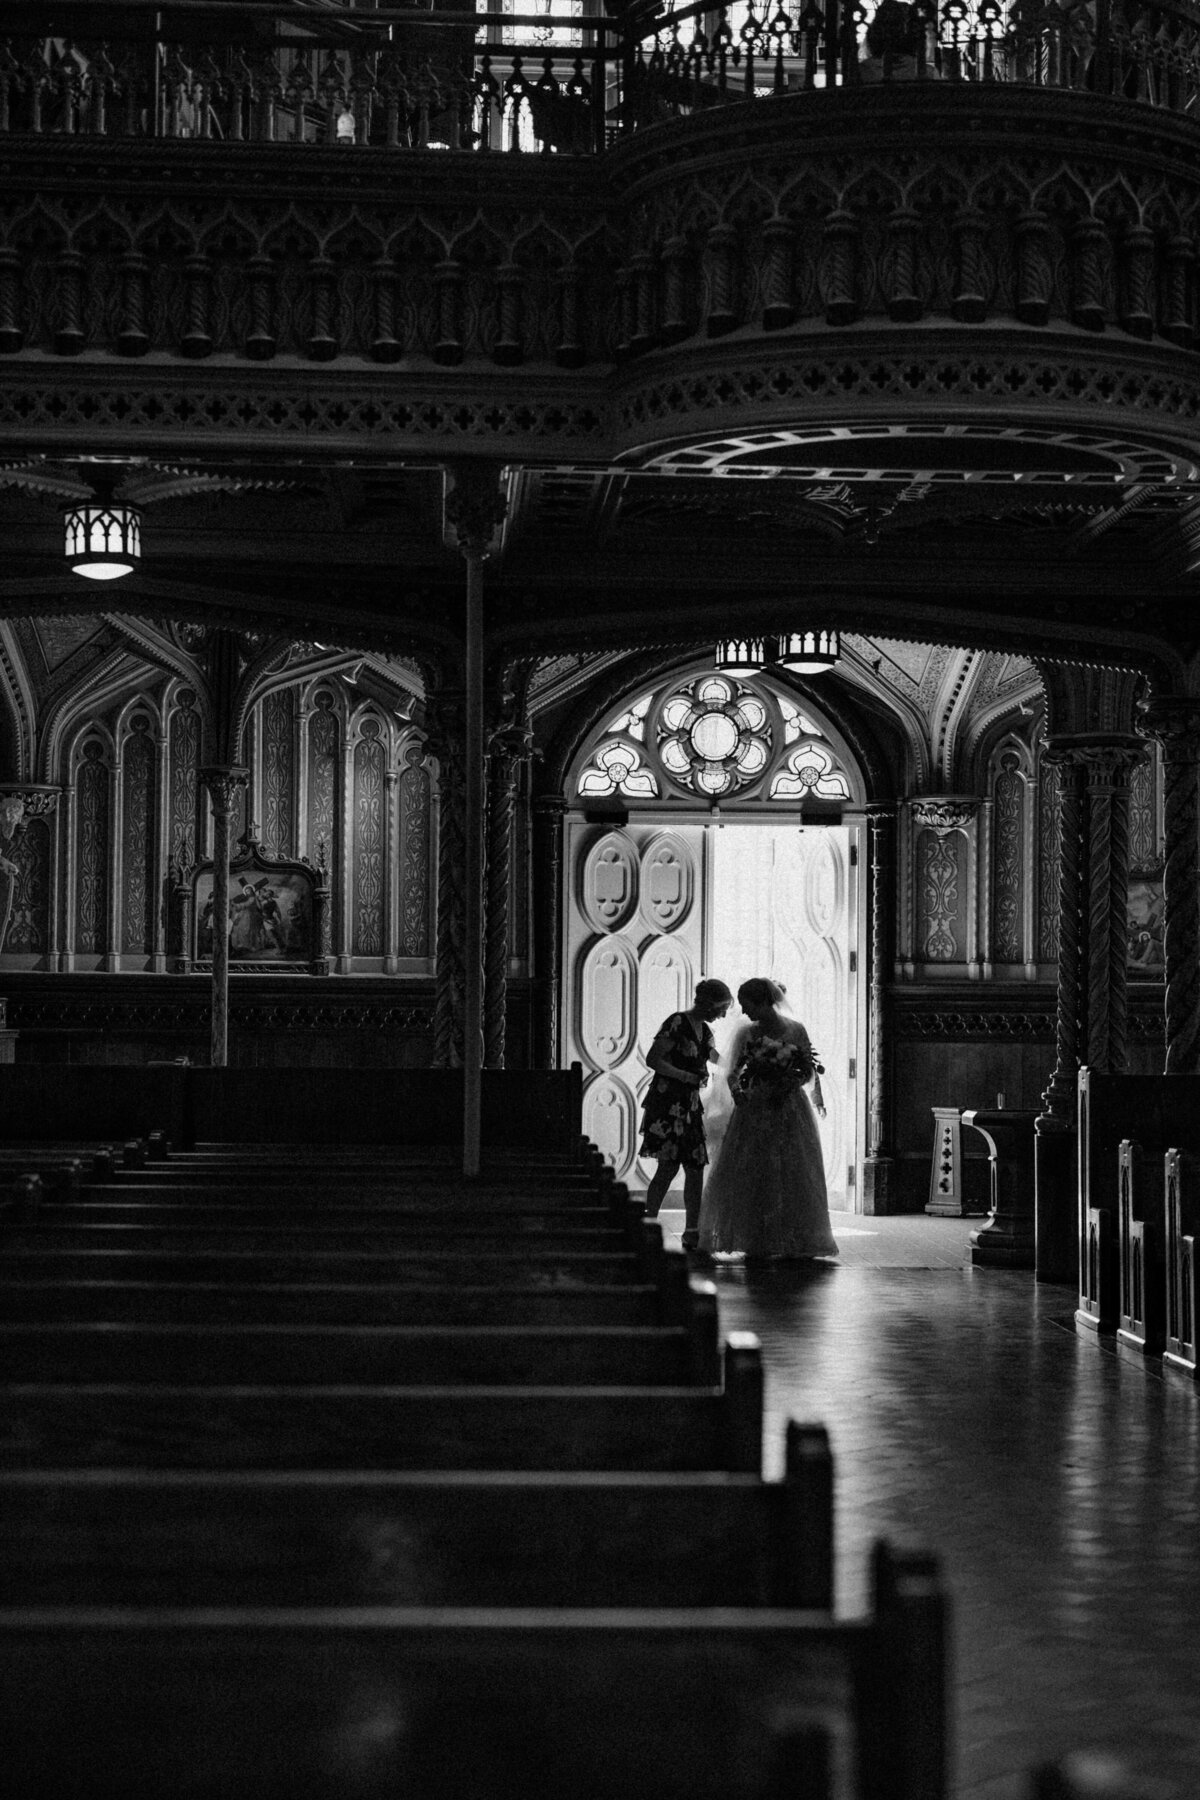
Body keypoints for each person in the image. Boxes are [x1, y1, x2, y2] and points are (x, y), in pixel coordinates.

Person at [697, 976, 838, 1262]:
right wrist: (738, 1094)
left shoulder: (796, 1030)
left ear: (763, 1002)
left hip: (789, 1106)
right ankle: (756, 1236)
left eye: (748, 1006)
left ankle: (795, 1237)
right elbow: (732, 1072)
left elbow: (807, 1071)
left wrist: (787, 1084)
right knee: (756, 1170)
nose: (745, 1013)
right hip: (755, 1107)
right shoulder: (746, 1034)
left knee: (792, 1169)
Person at [639, 978, 733, 1250]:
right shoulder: (677, 1022)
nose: (723, 1014)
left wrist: (738, 1060)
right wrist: (684, 1076)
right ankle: (648, 1224)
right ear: (708, 1003)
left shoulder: (704, 1030)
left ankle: (692, 1230)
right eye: (722, 1007)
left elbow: (713, 1056)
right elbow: (653, 1059)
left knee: (695, 1167)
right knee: (667, 1167)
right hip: (667, 1103)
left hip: (690, 1106)